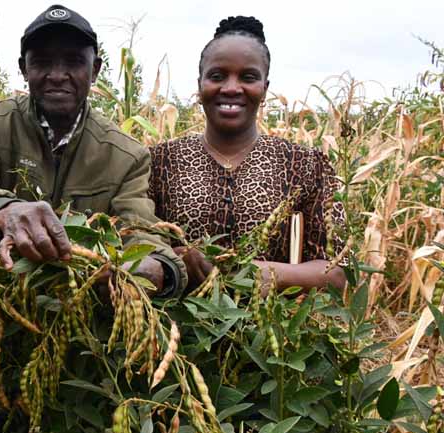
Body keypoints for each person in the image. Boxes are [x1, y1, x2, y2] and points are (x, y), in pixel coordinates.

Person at [0, 4, 187, 433]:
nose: (56, 74)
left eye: (72, 62)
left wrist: (158, 268)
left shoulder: (125, 154)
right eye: (42, 62)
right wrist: (4, 212)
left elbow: (142, 229)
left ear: (96, 70)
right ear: (23, 69)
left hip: (81, 338)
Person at [148, 16, 346, 293]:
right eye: (217, 76)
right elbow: (132, 252)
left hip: (274, 330)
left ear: (265, 88)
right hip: (176, 331)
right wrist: (173, 262)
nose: (231, 87)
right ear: (200, 84)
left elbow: (338, 273)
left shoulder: (306, 165)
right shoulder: (158, 162)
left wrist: (274, 275)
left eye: (248, 77)